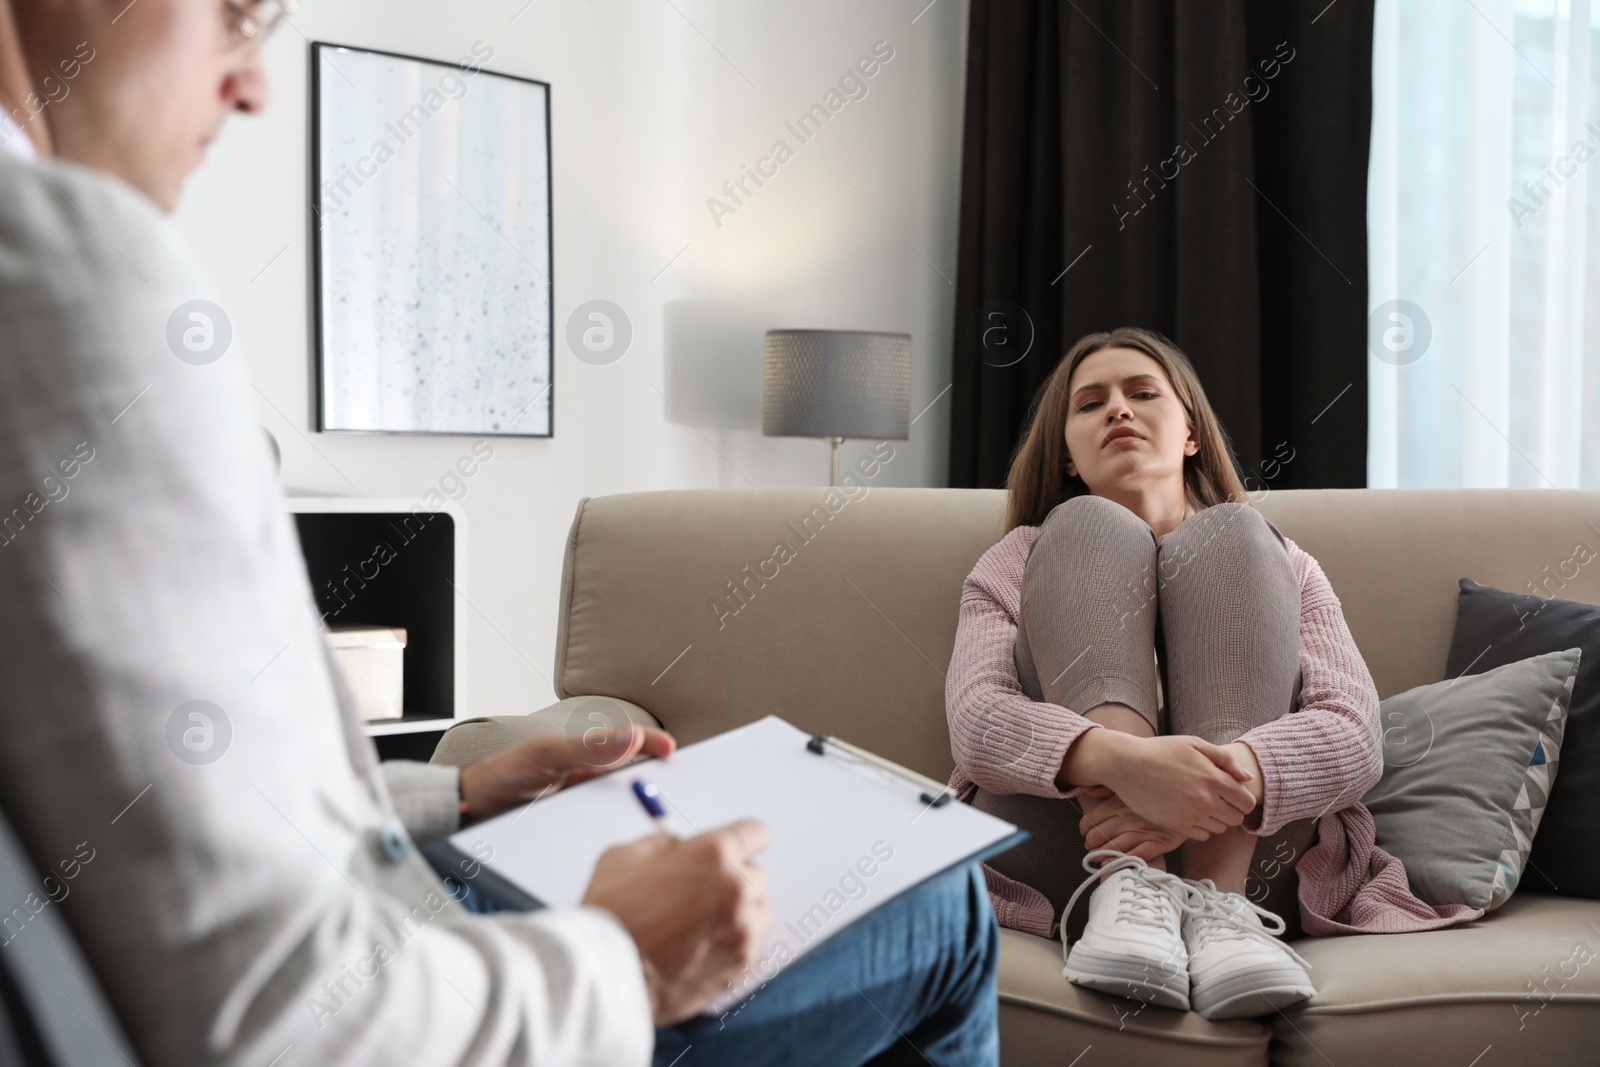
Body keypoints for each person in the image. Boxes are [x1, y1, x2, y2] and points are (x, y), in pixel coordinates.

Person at [0, 2, 998, 1065]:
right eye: (237, 16)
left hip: (411, 902)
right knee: (942, 905)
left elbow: (160, 825)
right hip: (422, 989)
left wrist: (458, 793)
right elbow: (277, 1015)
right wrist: (625, 955)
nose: (254, 84)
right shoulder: (67, 268)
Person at [944, 327, 1484, 1021]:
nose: (1118, 410)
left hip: (1262, 862)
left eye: (1142, 393)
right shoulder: (1014, 558)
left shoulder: (1280, 559)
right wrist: (1126, 764)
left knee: (1230, 531)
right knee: (1083, 527)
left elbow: (1355, 737)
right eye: (1091, 404)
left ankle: (1218, 909)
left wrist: (1210, 783)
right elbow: (977, 722)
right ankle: (1125, 883)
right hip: (1062, 854)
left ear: (1191, 435)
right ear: (1068, 454)